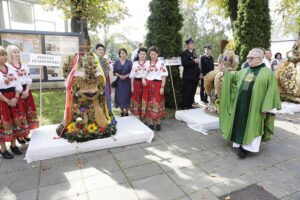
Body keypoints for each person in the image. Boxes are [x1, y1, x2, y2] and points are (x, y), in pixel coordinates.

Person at [220, 48, 281, 158]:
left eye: (251, 58)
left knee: (252, 125)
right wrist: (226, 72)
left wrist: (267, 107)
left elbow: (271, 91)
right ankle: (238, 144)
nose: (248, 60)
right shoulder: (245, 70)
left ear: (259, 59)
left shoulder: (267, 73)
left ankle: (247, 148)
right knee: (239, 122)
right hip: (240, 104)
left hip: (256, 107)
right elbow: (234, 78)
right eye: (248, 57)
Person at [56, 52, 117, 142]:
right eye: (83, 82)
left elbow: (101, 85)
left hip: (95, 103)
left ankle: (96, 124)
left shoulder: (99, 66)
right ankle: (80, 124)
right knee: (81, 112)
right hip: (81, 101)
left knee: (98, 111)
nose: (90, 88)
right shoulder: (76, 68)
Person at [0, 46, 29, 159]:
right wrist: (7, 100)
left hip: (14, 98)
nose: (5, 57)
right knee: (4, 124)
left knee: (15, 123)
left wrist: (16, 97)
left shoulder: (10, 68)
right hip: (2, 101)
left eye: (5, 54)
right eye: (2, 55)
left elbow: (18, 84)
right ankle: (3, 149)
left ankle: (13, 145)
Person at [6, 45, 39, 144]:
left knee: (28, 111)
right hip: (17, 92)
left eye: (17, 52)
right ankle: (19, 136)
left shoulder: (24, 65)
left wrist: (27, 91)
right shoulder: (8, 67)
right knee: (20, 114)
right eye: (14, 52)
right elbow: (14, 81)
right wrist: (20, 92)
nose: (16, 54)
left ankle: (25, 133)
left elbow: (29, 78)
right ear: (9, 54)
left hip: (26, 91)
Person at [142, 46, 168, 130]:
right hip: (148, 86)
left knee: (157, 103)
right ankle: (151, 123)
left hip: (157, 85)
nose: (153, 56)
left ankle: (158, 122)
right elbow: (144, 73)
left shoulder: (161, 63)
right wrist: (143, 79)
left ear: (157, 54)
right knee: (149, 104)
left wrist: (162, 87)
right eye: (151, 54)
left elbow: (163, 76)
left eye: (154, 54)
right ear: (149, 54)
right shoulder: (147, 63)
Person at [180, 38, 200, 109]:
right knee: (186, 92)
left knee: (192, 92)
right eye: (190, 44)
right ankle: (184, 106)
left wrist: (199, 73)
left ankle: (189, 105)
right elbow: (184, 63)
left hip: (195, 76)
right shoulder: (184, 53)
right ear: (187, 45)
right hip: (188, 77)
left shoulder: (194, 53)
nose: (192, 45)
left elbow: (197, 65)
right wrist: (193, 61)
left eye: (192, 44)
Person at [129, 47, 147, 121]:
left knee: (144, 98)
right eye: (141, 54)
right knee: (137, 98)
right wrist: (132, 86)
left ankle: (144, 116)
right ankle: (137, 115)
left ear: (146, 55)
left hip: (145, 83)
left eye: (144, 54)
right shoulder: (135, 64)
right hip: (136, 83)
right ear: (138, 55)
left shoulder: (148, 63)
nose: (142, 56)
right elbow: (132, 76)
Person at [113, 48, 132, 116]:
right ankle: (121, 111)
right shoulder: (116, 62)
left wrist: (126, 76)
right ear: (119, 54)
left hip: (127, 82)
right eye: (121, 53)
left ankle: (126, 111)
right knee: (120, 96)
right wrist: (119, 75)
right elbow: (114, 72)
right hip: (119, 82)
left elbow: (131, 71)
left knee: (127, 96)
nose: (123, 54)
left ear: (126, 54)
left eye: (124, 53)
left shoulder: (129, 62)